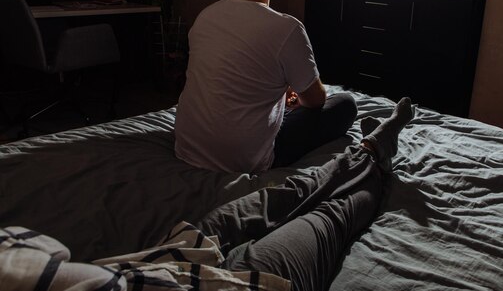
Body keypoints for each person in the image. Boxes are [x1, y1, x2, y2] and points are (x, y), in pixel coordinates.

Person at [0, 98, 412, 291]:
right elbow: (319, 97)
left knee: (292, 190)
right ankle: (377, 150)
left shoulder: (208, 18)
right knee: (333, 216)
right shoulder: (285, 27)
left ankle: (370, 147)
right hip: (234, 284)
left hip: (168, 255)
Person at [175, 0, 357, 173]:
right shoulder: (287, 28)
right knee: (346, 104)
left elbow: (231, 74)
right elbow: (315, 100)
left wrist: (281, 88)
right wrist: (296, 94)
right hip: (244, 158)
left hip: (188, 145)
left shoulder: (205, 16)